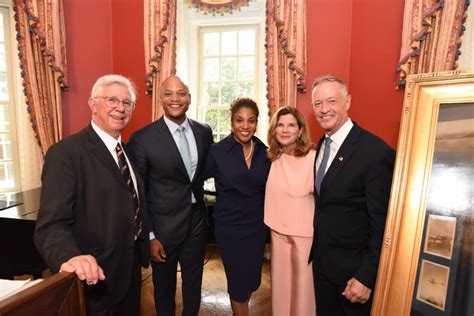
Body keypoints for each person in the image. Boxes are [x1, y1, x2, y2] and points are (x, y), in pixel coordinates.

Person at [34, 74, 150, 315]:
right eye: (111, 100)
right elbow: (51, 225)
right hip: (95, 279)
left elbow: (131, 203)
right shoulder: (65, 154)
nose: (120, 107)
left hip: (129, 272)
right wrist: (71, 258)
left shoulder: (126, 152)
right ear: (92, 104)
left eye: (127, 102)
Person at [127, 75, 213, 316]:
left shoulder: (204, 132)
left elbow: (203, 174)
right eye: (168, 93)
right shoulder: (142, 139)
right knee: (164, 289)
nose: (175, 99)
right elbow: (138, 193)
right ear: (160, 99)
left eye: (181, 93)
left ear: (190, 98)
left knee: (194, 284)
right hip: (162, 230)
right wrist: (150, 235)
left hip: (196, 222)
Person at [309, 75, 395, 316]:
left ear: (347, 102)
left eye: (332, 101)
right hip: (323, 268)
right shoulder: (323, 145)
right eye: (318, 104)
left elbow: (384, 224)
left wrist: (367, 277)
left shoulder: (375, 152)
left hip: (354, 277)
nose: (324, 110)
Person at [202, 98, 270, 316]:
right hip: (229, 227)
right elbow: (194, 181)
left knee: (251, 281)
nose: (245, 126)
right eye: (239, 120)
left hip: (257, 227)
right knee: (239, 285)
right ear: (231, 122)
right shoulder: (218, 151)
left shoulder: (265, 152)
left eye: (251, 121)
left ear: (257, 123)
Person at [264, 106, 316, 316]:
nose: (285, 130)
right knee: (281, 289)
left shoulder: (314, 158)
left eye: (291, 125)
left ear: (300, 130)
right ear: (274, 129)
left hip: (304, 235)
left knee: (303, 293)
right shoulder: (272, 157)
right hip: (277, 231)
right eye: (280, 125)